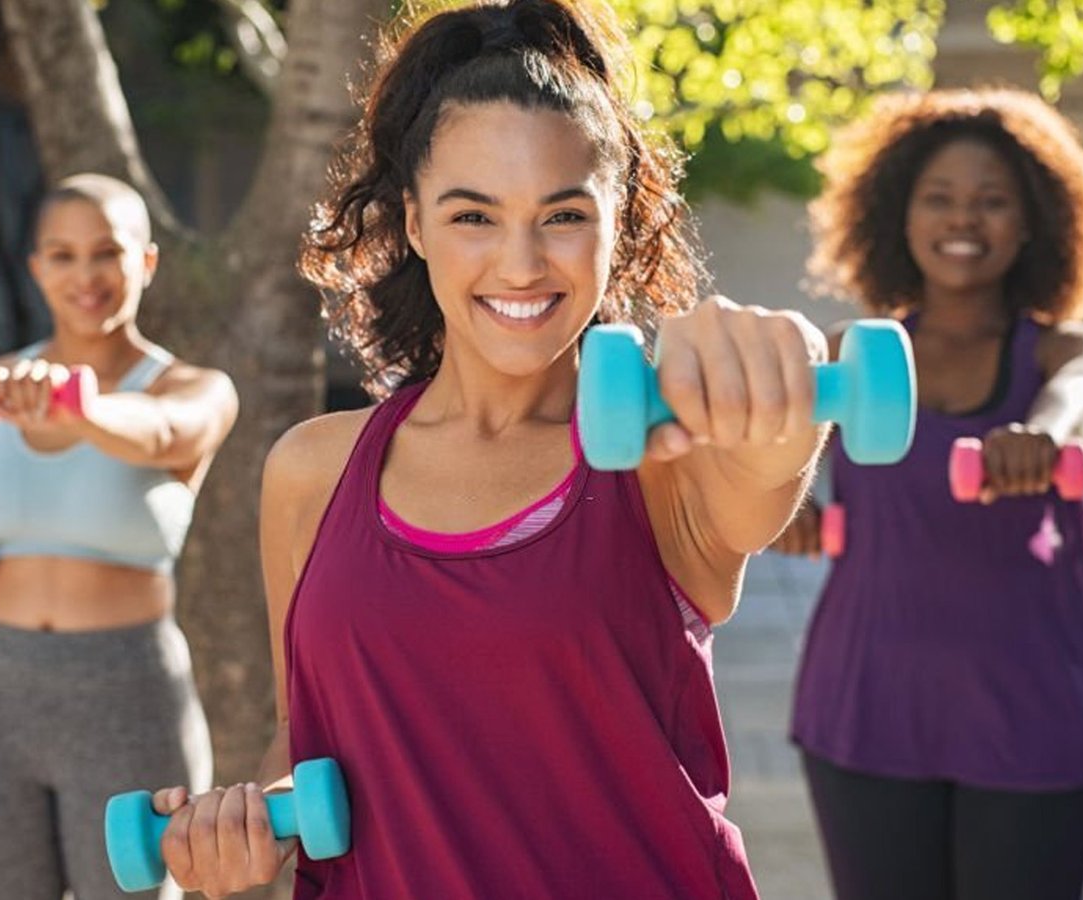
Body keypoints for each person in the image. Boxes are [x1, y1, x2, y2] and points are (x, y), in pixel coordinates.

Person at [140, 1, 841, 897]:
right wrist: (250, 825)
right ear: (415, 223)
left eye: (563, 216)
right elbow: (307, 740)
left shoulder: (665, 459)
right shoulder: (313, 471)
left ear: (619, 222)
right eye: (474, 216)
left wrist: (785, 376)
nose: (520, 264)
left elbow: (767, 464)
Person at [771, 88, 1083, 900]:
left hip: (1038, 704)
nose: (963, 219)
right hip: (871, 700)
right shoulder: (854, 353)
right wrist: (782, 508)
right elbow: (764, 462)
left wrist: (1044, 433)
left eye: (992, 201)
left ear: (1035, 220)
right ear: (897, 216)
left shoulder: (1067, 348)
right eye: (937, 198)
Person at [0, 173, 238, 899]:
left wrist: (76, 408)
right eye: (63, 255)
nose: (86, 277)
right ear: (37, 268)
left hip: (124, 693)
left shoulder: (191, 389)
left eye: (107, 252)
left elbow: (163, 433)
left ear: (146, 261)